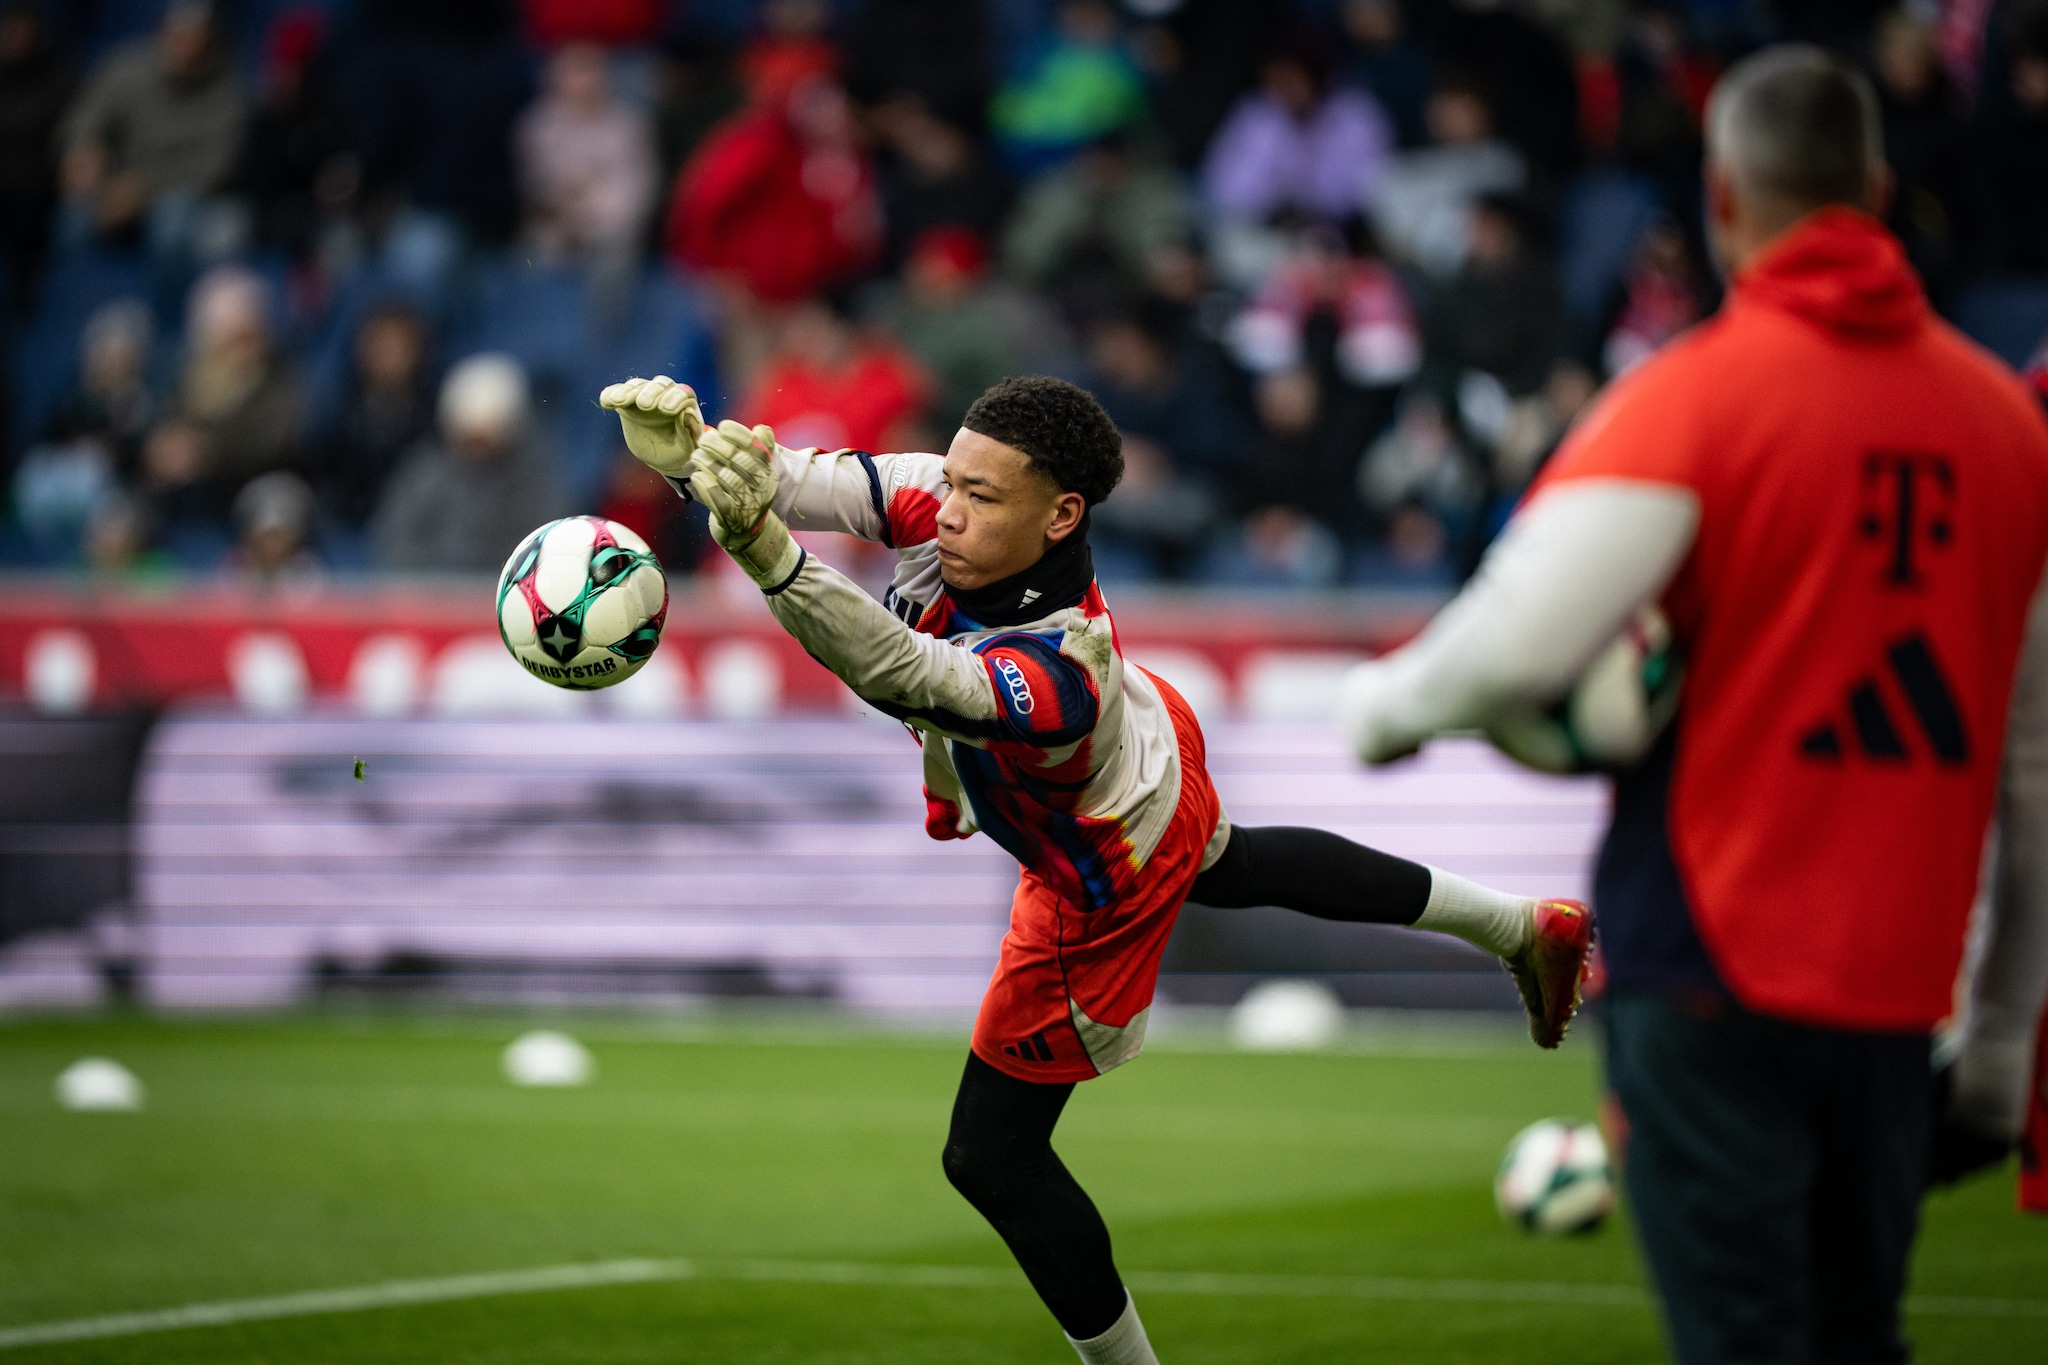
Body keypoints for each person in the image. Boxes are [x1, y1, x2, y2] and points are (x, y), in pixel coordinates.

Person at [598, 370, 1594, 1364]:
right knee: (1234, 860)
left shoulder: (1059, 674)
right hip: (1154, 745)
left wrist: (770, 559)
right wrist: (691, 457)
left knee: (990, 1156)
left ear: (1061, 515)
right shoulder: (955, 499)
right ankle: (1518, 926)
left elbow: (901, 670)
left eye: (979, 496)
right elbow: (795, 478)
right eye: (951, 480)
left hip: (1104, 861)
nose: (947, 509)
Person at [1340, 47, 2048, 1364]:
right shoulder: (2010, 431)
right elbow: (2037, 769)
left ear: (1721, 200)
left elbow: (1506, 648)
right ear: (1877, 195)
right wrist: (2004, 1042)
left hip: (1713, 967)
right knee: (1855, 1341)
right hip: (1897, 993)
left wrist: (1378, 709)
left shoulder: (1691, 396)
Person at [373, 353, 566, 572]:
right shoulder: (425, 475)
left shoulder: (536, 484)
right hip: (431, 588)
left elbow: (544, 548)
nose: (479, 447)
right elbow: (396, 538)